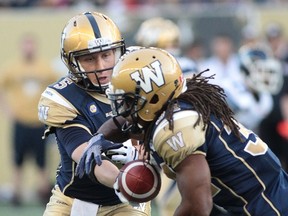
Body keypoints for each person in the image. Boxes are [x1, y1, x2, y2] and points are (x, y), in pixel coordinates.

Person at [76, 47, 288, 215]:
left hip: (267, 206)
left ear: (154, 97)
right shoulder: (179, 103)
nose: (123, 110)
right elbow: (124, 120)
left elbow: (198, 207)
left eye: (129, 101)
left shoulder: (175, 126)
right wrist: (99, 137)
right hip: (267, 193)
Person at [38, 11, 150, 216]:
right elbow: (88, 157)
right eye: (90, 59)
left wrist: (143, 153)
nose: (101, 66)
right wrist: (122, 180)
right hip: (72, 200)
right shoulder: (63, 97)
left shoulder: (138, 83)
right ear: (73, 62)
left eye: (106, 55)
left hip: (127, 203)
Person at [0, 33, 58, 206]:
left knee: (42, 161)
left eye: (31, 45)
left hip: (39, 123)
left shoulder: (45, 68)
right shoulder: (13, 68)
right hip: (20, 123)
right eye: (26, 45)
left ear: (35, 47)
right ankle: (16, 194)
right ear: (21, 47)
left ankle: (42, 193)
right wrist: (7, 110)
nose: (28, 48)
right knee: (18, 160)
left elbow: (57, 90)